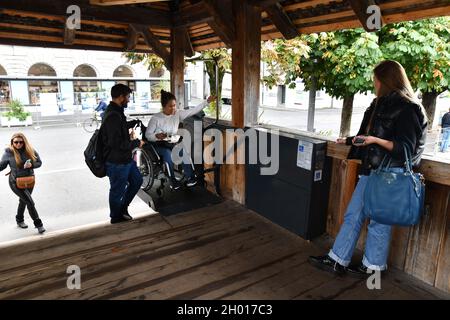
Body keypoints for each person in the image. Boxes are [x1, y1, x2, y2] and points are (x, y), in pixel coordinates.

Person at [309, 60, 428, 277]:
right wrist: (350, 141)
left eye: (376, 79)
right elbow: (374, 135)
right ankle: (367, 266)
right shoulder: (381, 103)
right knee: (367, 218)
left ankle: (342, 262)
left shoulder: (408, 108)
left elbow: (405, 150)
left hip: (389, 175)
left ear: (385, 80)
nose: (374, 83)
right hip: (373, 171)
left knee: (369, 219)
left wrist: (374, 140)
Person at [145, 90, 212, 190]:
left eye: (174, 105)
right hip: (158, 145)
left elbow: (193, 111)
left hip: (171, 143)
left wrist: (207, 102)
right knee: (168, 154)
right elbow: (147, 135)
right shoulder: (156, 118)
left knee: (184, 152)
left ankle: (190, 178)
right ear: (164, 106)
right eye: (170, 106)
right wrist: (156, 136)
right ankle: (172, 179)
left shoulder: (177, 114)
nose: (173, 108)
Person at [101, 84, 145, 224]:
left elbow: (118, 129)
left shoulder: (116, 111)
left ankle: (122, 207)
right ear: (120, 97)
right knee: (116, 191)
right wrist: (136, 143)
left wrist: (131, 123)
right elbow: (116, 143)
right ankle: (116, 217)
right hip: (116, 162)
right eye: (127, 97)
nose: (128, 100)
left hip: (125, 159)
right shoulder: (113, 115)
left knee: (137, 181)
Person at [0, 133, 45, 234]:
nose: (18, 144)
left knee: (24, 201)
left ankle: (19, 220)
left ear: (24, 142)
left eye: (21, 142)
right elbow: (1, 166)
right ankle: (39, 224)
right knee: (30, 202)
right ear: (12, 142)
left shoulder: (30, 150)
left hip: (29, 180)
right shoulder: (8, 153)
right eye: (16, 142)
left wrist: (31, 165)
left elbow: (39, 163)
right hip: (15, 182)